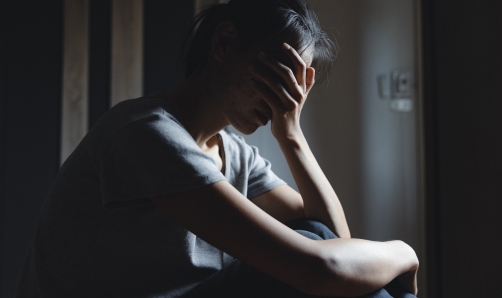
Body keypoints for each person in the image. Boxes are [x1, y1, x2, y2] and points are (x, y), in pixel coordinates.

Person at [16, 0, 419, 297]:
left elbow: (332, 237)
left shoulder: (234, 152)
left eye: (300, 87)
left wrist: (291, 134)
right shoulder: (145, 134)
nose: (289, 100)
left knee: (315, 234)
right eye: (281, 77)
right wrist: (401, 252)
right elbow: (321, 269)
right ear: (225, 43)